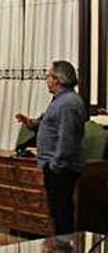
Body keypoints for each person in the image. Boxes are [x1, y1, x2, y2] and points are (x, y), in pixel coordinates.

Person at [15, 60, 88, 235]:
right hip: (56, 167)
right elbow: (49, 123)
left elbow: (67, 139)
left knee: (62, 215)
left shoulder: (68, 104)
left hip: (61, 170)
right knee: (58, 213)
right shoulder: (59, 100)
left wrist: (55, 165)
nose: (47, 80)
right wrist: (31, 123)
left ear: (57, 80)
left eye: (48, 76)